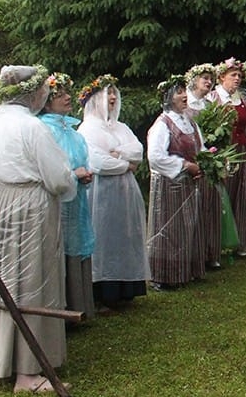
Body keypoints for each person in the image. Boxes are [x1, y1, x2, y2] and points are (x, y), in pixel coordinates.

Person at [0, 65, 77, 393]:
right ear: (33, 92)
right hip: (27, 206)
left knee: (1, 277)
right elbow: (57, 177)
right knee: (30, 280)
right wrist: (67, 180)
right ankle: (27, 372)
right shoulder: (32, 127)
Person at [77, 74, 149, 310]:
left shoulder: (121, 127)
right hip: (102, 194)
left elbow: (138, 150)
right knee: (105, 237)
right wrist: (124, 163)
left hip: (125, 192)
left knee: (125, 235)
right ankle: (103, 292)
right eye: (107, 93)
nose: (112, 98)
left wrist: (119, 153)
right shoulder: (87, 128)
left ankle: (127, 289)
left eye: (114, 94)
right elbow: (98, 163)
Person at [37, 72, 96, 320]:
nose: (67, 98)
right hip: (57, 200)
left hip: (77, 199)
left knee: (76, 244)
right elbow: (48, 167)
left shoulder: (71, 130)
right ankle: (62, 309)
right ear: (47, 101)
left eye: (66, 93)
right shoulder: (44, 130)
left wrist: (85, 174)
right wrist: (72, 174)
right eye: (59, 95)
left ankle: (80, 304)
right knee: (58, 247)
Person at [146, 75, 205, 289]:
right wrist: (185, 165)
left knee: (187, 226)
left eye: (184, 91)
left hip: (188, 184)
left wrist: (205, 163)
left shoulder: (189, 121)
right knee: (168, 230)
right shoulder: (162, 124)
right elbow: (155, 156)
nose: (184, 96)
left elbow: (201, 148)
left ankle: (185, 271)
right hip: (169, 186)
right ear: (169, 98)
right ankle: (163, 276)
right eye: (179, 92)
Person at [210, 58, 246, 257]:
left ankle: (240, 243)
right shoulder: (212, 98)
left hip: (242, 151)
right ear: (222, 77)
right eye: (233, 75)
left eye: (240, 76)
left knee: (242, 196)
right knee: (222, 196)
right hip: (222, 153)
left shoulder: (244, 101)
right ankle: (218, 243)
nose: (237, 79)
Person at [185, 63, 222, 269]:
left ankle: (211, 252)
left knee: (211, 206)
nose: (208, 82)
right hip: (193, 160)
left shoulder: (210, 105)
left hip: (210, 158)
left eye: (210, 79)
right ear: (194, 81)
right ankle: (194, 252)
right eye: (204, 78)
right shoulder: (185, 104)